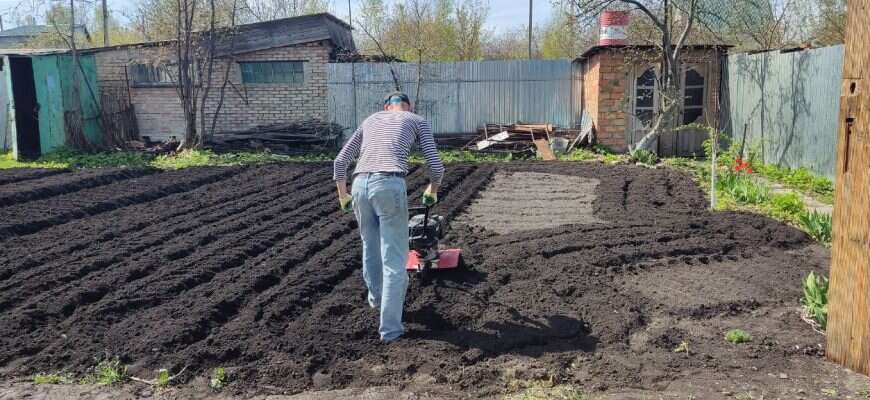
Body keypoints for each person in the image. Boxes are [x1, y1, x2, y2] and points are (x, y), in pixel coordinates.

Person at [333, 91, 445, 342]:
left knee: (369, 248)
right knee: (394, 259)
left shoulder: (370, 120)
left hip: (359, 185)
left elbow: (340, 161)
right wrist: (432, 190)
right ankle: (391, 330)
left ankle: (377, 301)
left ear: (386, 107)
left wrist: (343, 196)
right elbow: (436, 166)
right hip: (389, 184)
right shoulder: (416, 120)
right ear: (408, 107)